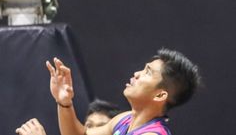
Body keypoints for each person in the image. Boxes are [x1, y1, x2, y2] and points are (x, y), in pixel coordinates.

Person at [19, 49, 200, 135]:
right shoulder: (126, 119)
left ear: (160, 95)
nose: (137, 74)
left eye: (147, 72)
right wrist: (64, 103)